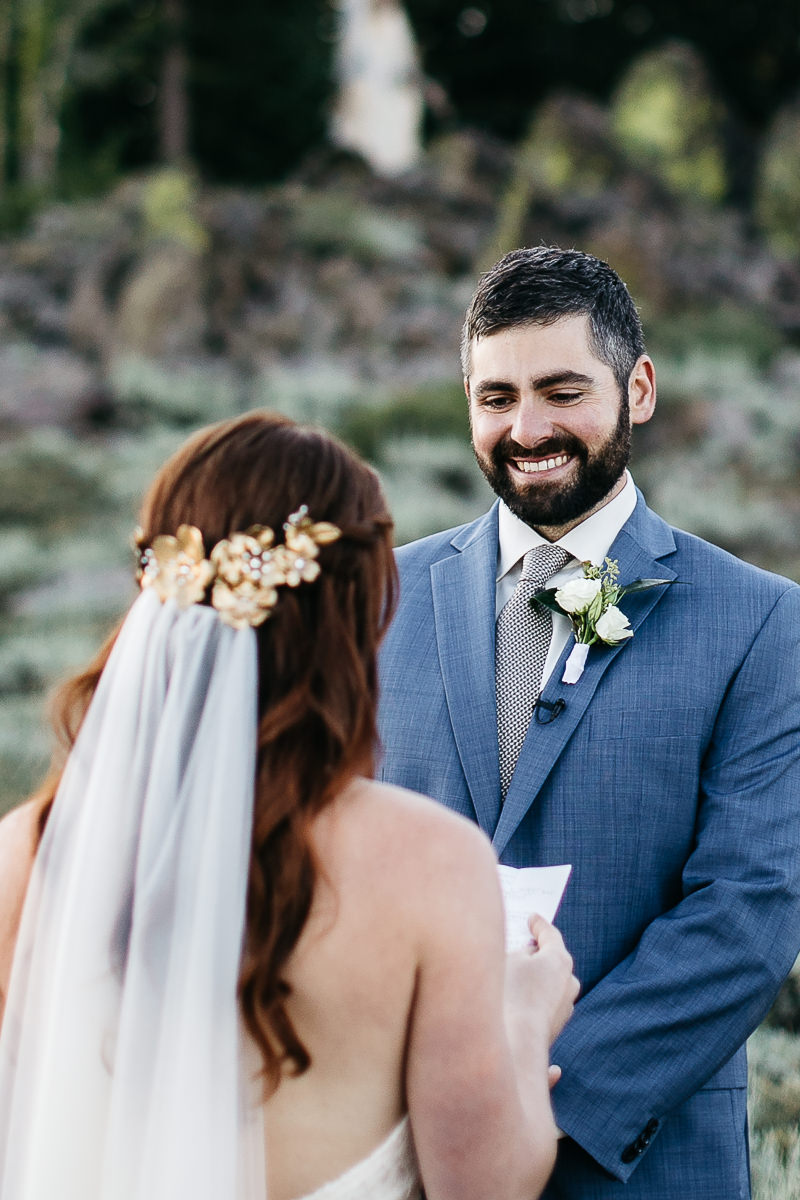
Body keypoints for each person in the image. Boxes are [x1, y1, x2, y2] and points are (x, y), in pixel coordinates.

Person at [0, 411, 577, 1200]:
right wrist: (524, 1013)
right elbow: (485, 1186)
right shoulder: (431, 865)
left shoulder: (25, 856)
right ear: (351, 620)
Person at [377, 246, 800, 1199]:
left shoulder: (763, 624)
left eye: (562, 391)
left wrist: (528, 1106)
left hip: (638, 1160)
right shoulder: (379, 599)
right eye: (496, 398)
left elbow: (749, 915)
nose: (527, 428)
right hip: (401, 1153)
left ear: (638, 388)